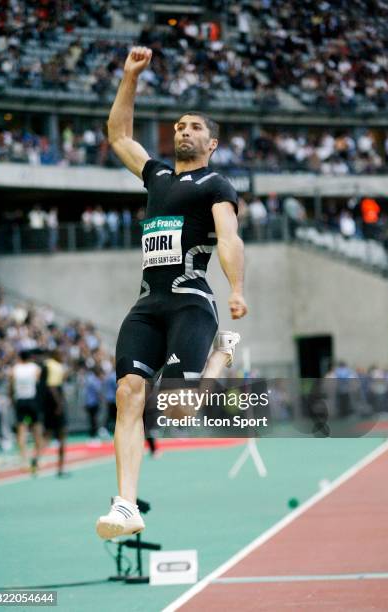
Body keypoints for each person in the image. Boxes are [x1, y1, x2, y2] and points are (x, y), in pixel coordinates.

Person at [96, 47, 248, 540]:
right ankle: (124, 505)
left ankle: (221, 355)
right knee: (127, 394)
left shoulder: (214, 183)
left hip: (190, 301)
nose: (183, 131)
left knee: (180, 409)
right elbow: (118, 135)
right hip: (146, 305)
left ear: (212, 142)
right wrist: (129, 77)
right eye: (179, 126)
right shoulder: (157, 175)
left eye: (194, 127)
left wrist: (237, 289)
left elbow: (228, 237)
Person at [9, 350, 42, 473]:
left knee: (21, 431)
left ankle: (24, 460)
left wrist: (11, 397)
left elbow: (10, 384)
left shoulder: (15, 368)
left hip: (20, 400)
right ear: (30, 358)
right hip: (32, 400)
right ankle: (36, 459)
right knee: (36, 430)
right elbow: (39, 383)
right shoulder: (35, 368)